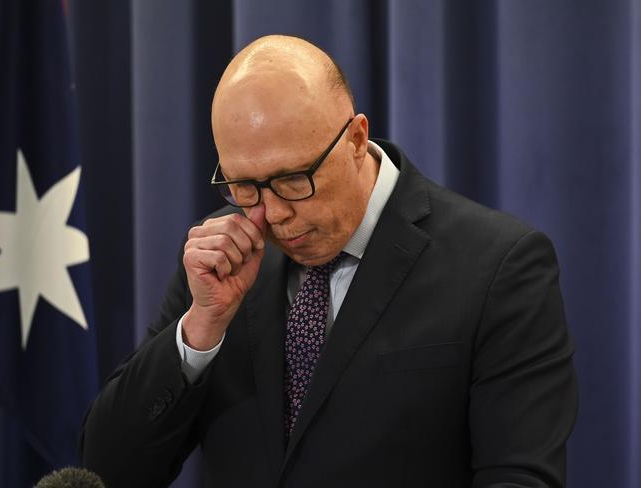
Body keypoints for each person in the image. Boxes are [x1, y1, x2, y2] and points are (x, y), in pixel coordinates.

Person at [81, 35, 578, 487]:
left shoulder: (499, 266)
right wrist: (201, 329)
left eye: (295, 179)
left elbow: (520, 478)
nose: (271, 214)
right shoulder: (223, 261)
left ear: (357, 139)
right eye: (244, 187)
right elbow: (108, 471)